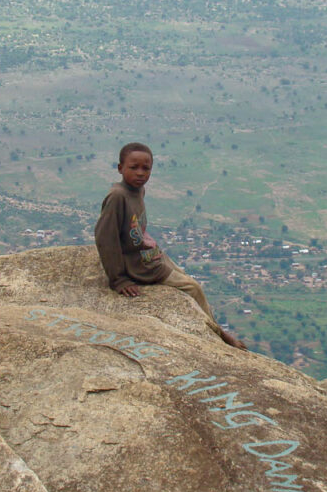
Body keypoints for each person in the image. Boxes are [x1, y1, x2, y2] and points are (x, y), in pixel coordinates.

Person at [94, 141, 246, 350]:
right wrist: (118, 279)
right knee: (193, 288)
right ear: (120, 168)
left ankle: (214, 327)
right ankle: (219, 334)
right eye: (133, 167)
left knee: (186, 279)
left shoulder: (138, 190)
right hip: (139, 265)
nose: (140, 173)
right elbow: (105, 237)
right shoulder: (118, 197)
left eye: (146, 168)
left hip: (150, 255)